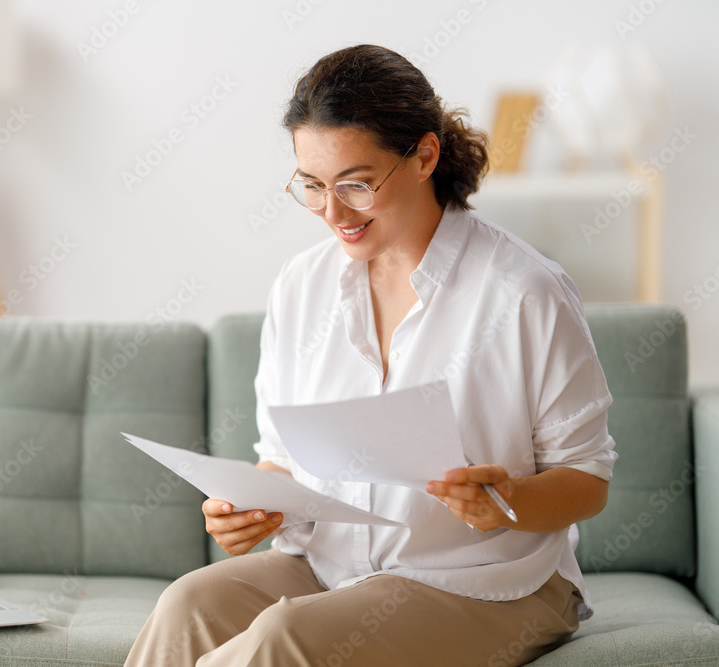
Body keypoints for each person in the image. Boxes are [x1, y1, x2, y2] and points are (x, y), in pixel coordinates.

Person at [124, 43, 617, 667]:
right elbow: (281, 461)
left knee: (286, 640)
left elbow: (588, 481)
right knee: (188, 603)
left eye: (355, 184)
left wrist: (508, 500)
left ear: (425, 157)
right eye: (312, 185)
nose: (333, 213)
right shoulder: (301, 286)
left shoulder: (525, 292)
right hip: (333, 569)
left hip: (490, 582)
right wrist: (255, 506)